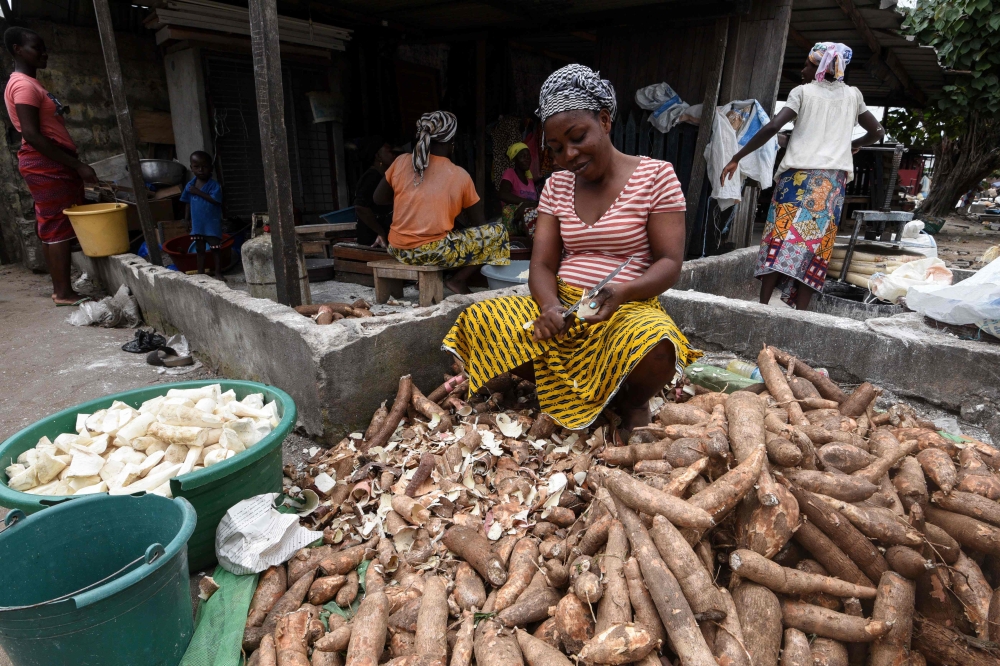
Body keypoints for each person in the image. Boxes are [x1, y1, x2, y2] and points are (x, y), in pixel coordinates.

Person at [442, 64, 701, 436]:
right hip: (563, 307)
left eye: (578, 137)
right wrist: (549, 307)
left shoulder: (656, 176)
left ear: (605, 120)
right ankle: (578, 390)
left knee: (657, 346)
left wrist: (622, 291)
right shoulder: (557, 186)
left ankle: (630, 401)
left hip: (625, 308)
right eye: (557, 148)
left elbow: (669, 263)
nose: (569, 155)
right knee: (479, 321)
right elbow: (542, 265)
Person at [721, 42, 885, 310]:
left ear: (821, 67)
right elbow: (877, 131)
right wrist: (857, 144)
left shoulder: (802, 93)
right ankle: (801, 312)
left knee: (780, 239)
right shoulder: (853, 95)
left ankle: (763, 306)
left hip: (796, 181)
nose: (802, 69)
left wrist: (737, 157)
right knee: (816, 247)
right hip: (831, 185)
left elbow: (774, 125)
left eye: (808, 64)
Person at [4, 27, 97, 306]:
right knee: (56, 223)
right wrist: (77, 165)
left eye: (44, 47)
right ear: (17, 50)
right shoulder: (23, 85)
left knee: (51, 223)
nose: (44, 53)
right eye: (36, 48)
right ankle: (63, 293)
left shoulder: (30, 84)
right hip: (45, 161)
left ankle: (62, 289)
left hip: (48, 160)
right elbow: (32, 134)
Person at [373, 110, 509, 294]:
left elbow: (378, 198)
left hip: (398, 249)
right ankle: (457, 280)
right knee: (497, 233)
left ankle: (428, 280)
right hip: (430, 253)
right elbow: (479, 224)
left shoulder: (401, 161)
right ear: (452, 143)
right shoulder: (459, 175)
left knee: (445, 235)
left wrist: (407, 195)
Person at [180, 150, 223, 276]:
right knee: (199, 249)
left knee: (216, 249)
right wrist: (186, 219)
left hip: (211, 224)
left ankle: (219, 273)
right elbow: (187, 202)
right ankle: (200, 273)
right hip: (197, 224)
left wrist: (198, 192)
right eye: (197, 167)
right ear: (191, 168)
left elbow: (216, 200)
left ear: (211, 168)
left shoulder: (214, 185)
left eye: (204, 167)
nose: (201, 170)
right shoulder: (190, 185)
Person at [353, 136, 395, 247]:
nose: (394, 155)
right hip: (372, 241)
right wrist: (380, 231)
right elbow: (360, 207)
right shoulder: (372, 177)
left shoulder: (383, 177)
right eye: (390, 151)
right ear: (378, 156)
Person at [499, 141, 539, 237]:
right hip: (514, 220)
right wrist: (525, 203)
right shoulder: (510, 173)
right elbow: (503, 194)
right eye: (522, 156)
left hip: (528, 218)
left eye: (528, 157)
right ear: (514, 159)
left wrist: (527, 205)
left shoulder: (530, 180)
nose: (527, 159)